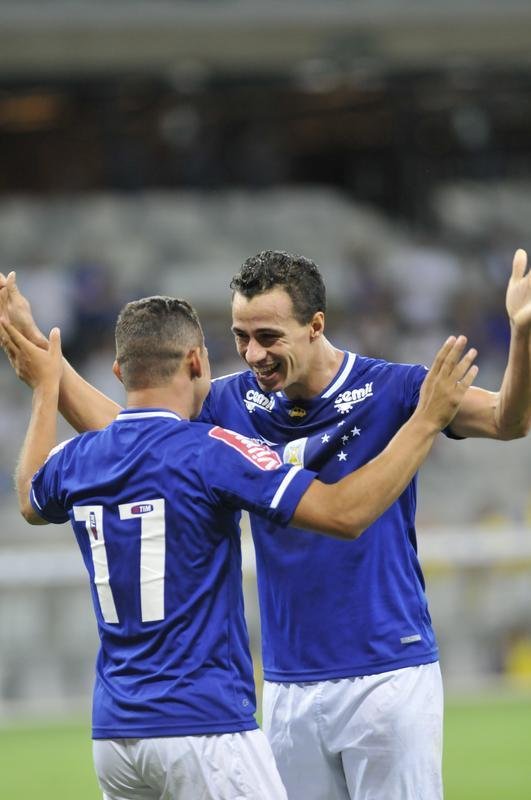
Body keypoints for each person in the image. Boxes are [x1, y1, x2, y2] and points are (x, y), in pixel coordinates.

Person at [0, 246, 529, 800]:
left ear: (315, 326)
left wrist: (522, 335)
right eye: (240, 336)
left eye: (268, 337)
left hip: (387, 670)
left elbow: (508, 419)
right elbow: (137, 438)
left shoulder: (393, 389)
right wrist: (46, 359)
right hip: (284, 683)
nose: (253, 353)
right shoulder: (229, 402)